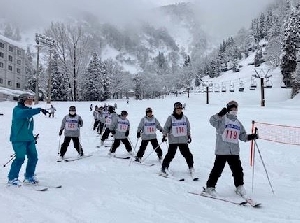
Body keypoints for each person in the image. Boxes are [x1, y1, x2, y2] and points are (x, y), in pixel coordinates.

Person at [203, 101, 258, 197]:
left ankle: (239, 186)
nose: (234, 110)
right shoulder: (222, 119)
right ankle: (210, 187)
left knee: (238, 170)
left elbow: (242, 136)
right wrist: (219, 114)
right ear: (228, 109)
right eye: (232, 108)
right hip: (222, 150)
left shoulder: (238, 123)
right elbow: (212, 121)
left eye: (236, 109)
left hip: (234, 151)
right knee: (217, 170)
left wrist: (251, 136)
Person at [7, 93, 48, 186]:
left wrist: (32, 135)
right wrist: (39, 110)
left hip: (29, 139)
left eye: (31, 101)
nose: (30, 102)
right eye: (28, 101)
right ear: (22, 101)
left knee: (33, 157)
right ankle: (12, 178)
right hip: (18, 139)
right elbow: (24, 114)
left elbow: (28, 127)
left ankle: (29, 176)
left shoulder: (29, 111)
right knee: (20, 158)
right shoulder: (17, 110)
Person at [160, 102, 194, 176]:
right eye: (177, 109)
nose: (179, 110)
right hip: (173, 140)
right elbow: (166, 128)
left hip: (183, 140)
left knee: (188, 155)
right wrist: (164, 135)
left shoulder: (185, 118)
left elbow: (188, 128)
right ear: (175, 109)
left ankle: (191, 167)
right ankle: (164, 168)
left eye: (180, 109)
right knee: (170, 155)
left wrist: (189, 135)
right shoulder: (171, 118)